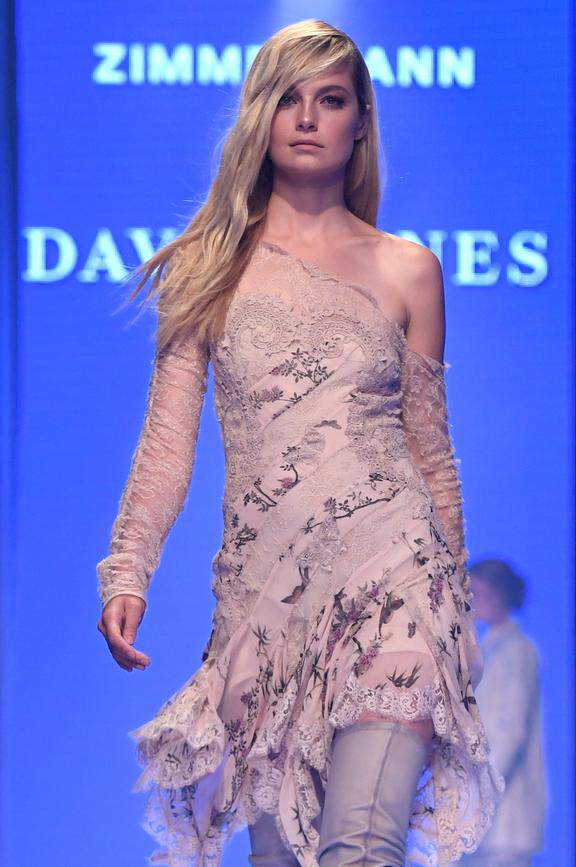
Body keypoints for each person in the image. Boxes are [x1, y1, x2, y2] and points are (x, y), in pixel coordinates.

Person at [96, 18, 503, 867]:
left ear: (361, 121)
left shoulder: (409, 269)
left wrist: (456, 616)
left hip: (397, 581)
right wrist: (128, 568)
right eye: (289, 98)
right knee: (280, 857)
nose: (309, 117)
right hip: (269, 606)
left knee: (362, 845)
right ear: (261, 117)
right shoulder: (208, 268)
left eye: (331, 99)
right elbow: (168, 438)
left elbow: (432, 453)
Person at [460, 560, 546, 867]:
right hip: (479, 808)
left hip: (504, 812)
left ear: (498, 595)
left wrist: (482, 788)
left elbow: (511, 732)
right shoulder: (487, 650)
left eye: (478, 592)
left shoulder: (518, 650)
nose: (472, 600)